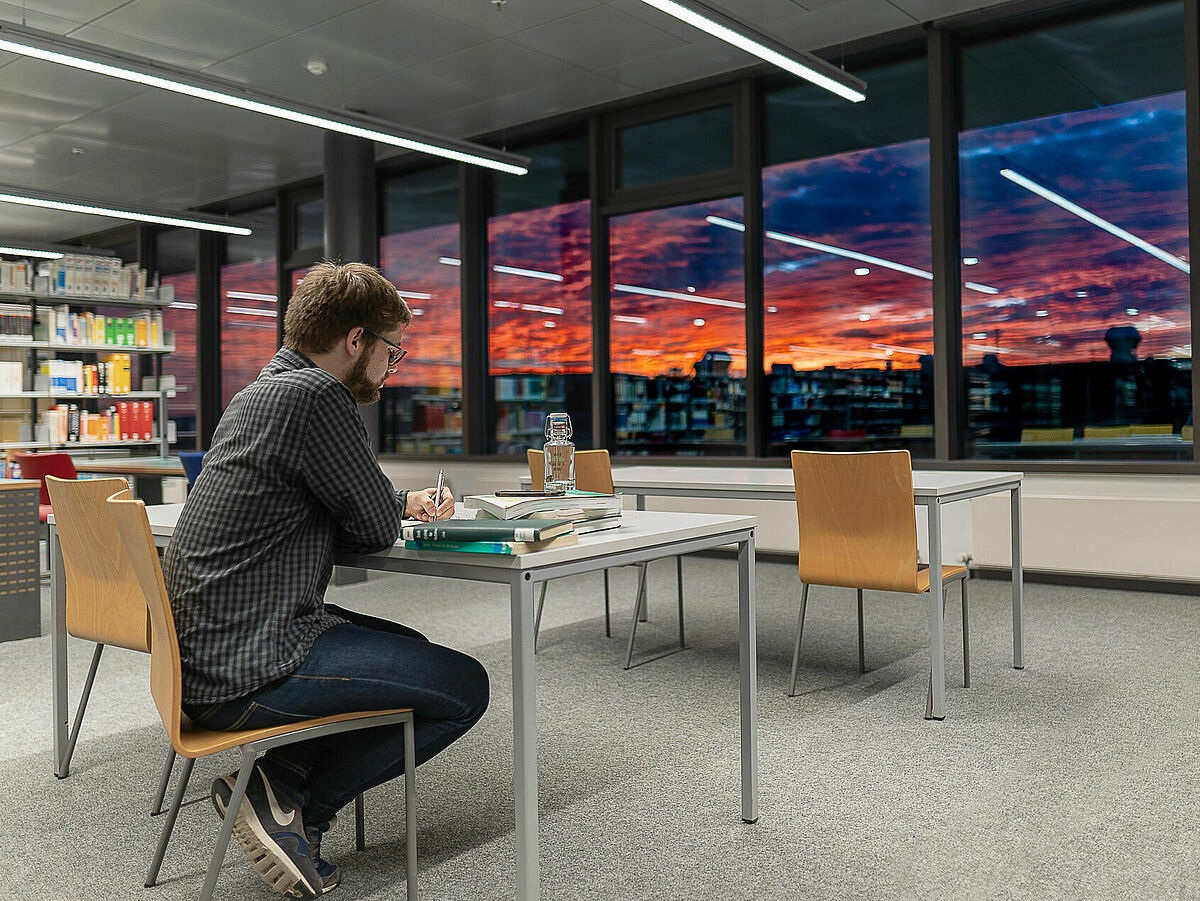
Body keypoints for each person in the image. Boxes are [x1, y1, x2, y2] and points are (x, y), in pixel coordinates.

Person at [163, 261, 489, 898]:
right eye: (392, 349)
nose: (395, 365)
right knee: (463, 687)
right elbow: (366, 532)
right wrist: (385, 509)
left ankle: (279, 780)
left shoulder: (265, 390)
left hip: (203, 650)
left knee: (409, 650)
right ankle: (297, 809)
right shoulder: (319, 397)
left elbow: (334, 508)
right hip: (246, 664)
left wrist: (396, 503)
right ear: (356, 340)